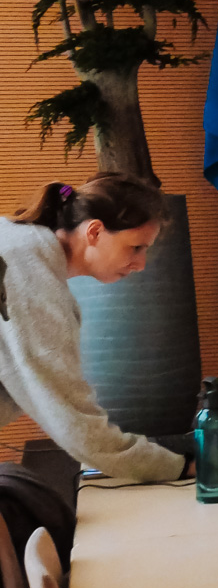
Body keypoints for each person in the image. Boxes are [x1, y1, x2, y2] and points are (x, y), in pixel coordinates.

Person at [0, 174, 185, 481]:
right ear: (95, 231)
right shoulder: (26, 272)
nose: (141, 264)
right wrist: (179, 466)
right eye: (135, 247)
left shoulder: (19, 244)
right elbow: (71, 418)